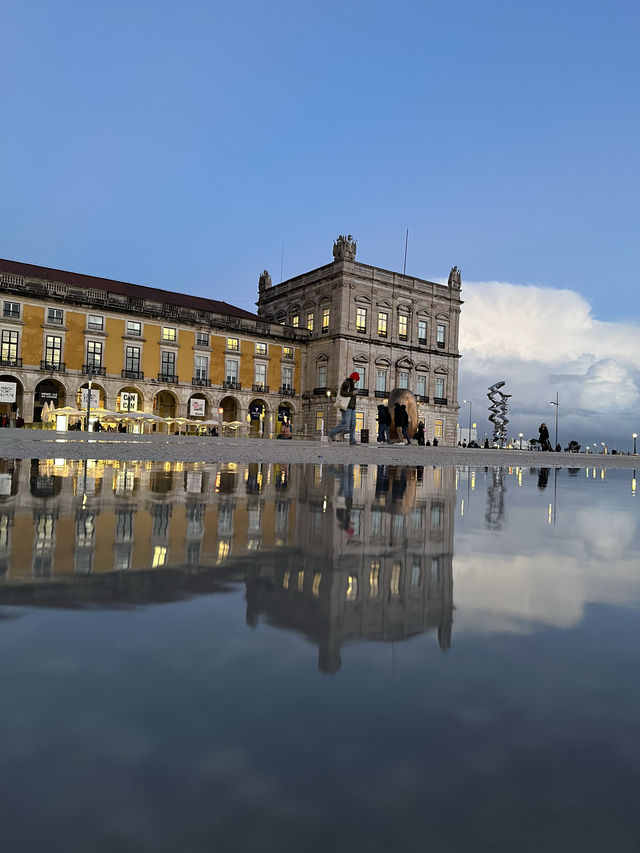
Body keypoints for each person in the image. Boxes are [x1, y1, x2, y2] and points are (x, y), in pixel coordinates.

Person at [329, 372, 359, 445]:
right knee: (346, 423)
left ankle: (352, 440)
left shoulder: (351, 385)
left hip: (352, 407)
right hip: (346, 407)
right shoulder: (347, 383)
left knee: (353, 423)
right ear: (353, 378)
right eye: (356, 380)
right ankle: (331, 433)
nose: (356, 381)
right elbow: (342, 393)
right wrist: (353, 393)